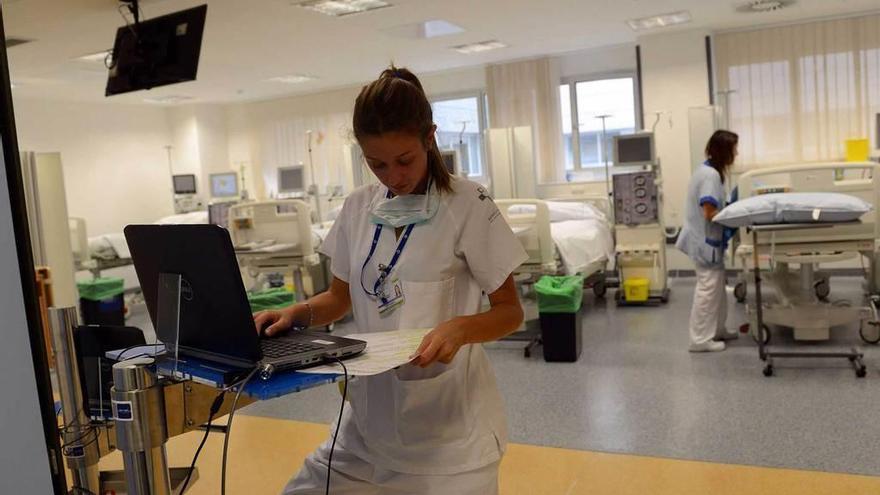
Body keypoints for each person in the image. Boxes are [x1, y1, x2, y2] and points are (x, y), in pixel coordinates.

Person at [253, 66, 528, 494]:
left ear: (430, 137)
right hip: (365, 428)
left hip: (451, 436)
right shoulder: (358, 207)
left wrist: (459, 328)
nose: (393, 176)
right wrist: (297, 313)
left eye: (404, 160)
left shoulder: (468, 205)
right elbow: (339, 298)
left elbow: (510, 312)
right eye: (376, 164)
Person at [676, 130, 740, 352]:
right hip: (705, 242)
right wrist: (734, 214)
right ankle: (700, 340)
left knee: (717, 289)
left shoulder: (709, 171)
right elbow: (709, 212)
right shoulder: (710, 176)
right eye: (734, 149)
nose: (736, 153)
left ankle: (717, 330)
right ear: (724, 151)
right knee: (708, 289)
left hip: (707, 240)